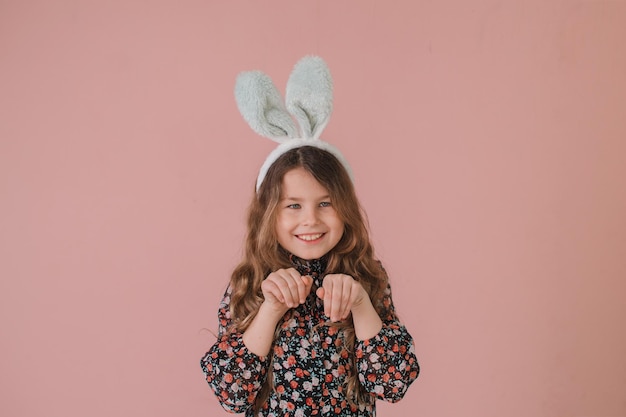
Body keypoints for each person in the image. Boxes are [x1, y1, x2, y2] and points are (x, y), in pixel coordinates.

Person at [200, 56, 419, 417]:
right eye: (293, 206)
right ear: (268, 215)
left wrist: (362, 305)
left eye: (325, 203)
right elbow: (231, 393)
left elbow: (392, 384)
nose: (311, 220)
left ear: (345, 207)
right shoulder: (252, 282)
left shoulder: (367, 276)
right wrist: (270, 309)